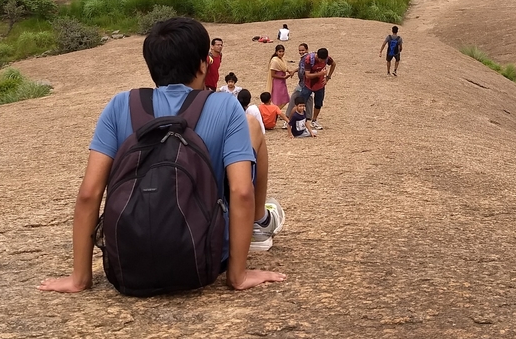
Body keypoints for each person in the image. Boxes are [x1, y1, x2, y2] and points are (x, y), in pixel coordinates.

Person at [38, 17, 285, 293]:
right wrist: (237, 277)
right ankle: (259, 224)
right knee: (254, 127)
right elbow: (241, 192)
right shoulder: (225, 107)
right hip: (205, 259)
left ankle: (83, 275)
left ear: (152, 66)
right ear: (204, 64)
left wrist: (79, 278)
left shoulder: (121, 105)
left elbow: (89, 193)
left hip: (131, 262)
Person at [300, 47, 336, 129]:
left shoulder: (327, 58)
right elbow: (307, 75)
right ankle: (301, 120)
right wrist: (320, 74)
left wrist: (328, 77)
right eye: (321, 60)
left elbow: (334, 64)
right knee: (301, 102)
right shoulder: (309, 59)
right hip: (308, 85)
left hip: (320, 85)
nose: (323, 62)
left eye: (324, 60)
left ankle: (314, 120)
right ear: (317, 56)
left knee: (318, 103)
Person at [289, 43, 315, 121]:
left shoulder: (308, 59)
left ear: (307, 50)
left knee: (296, 99)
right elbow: (301, 68)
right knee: (307, 99)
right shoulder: (303, 58)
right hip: (302, 83)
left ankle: (289, 117)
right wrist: (294, 70)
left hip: (305, 84)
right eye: (300, 50)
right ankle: (308, 118)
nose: (301, 52)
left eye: (303, 50)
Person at [266, 44, 293, 108]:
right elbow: (273, 74)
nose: (281, 53)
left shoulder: (281, 59)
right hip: (277, 82)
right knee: (278, 100)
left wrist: (289, 72)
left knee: (284, 99)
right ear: (276, 52)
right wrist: (283, 77)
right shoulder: (275, 61)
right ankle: (275, 113)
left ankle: (276, 112)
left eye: (282, 51)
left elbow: (284, 68)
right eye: (280, 51)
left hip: (282, 81)